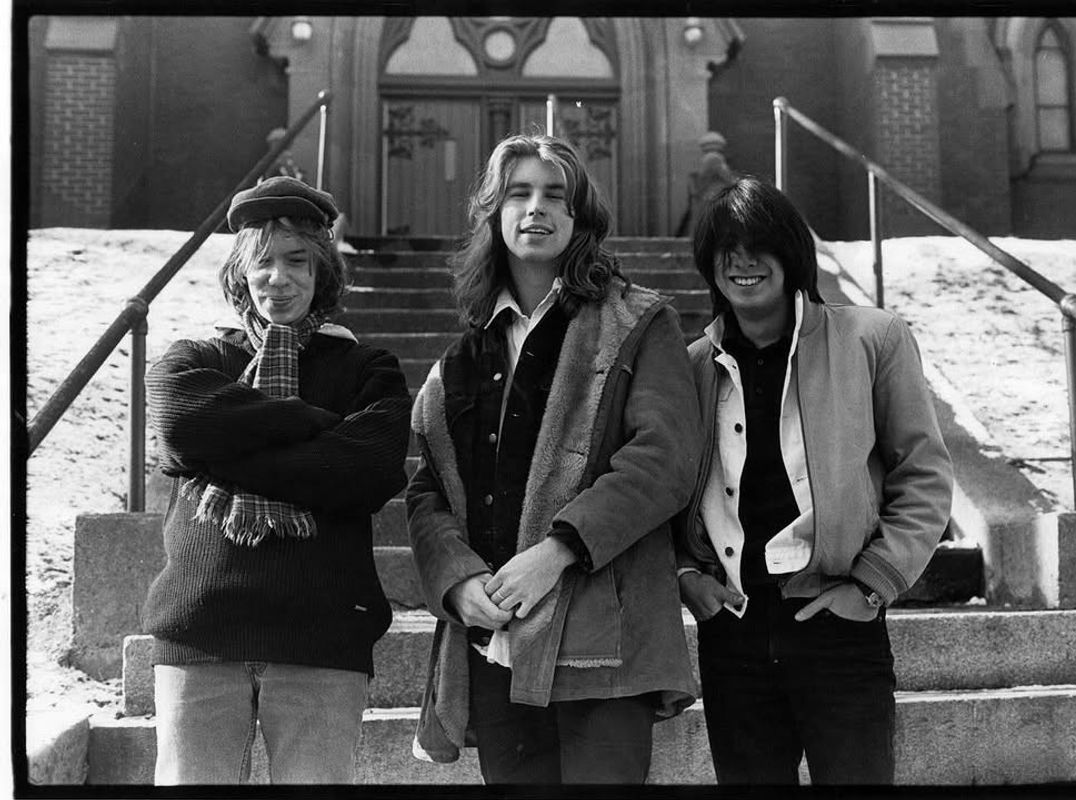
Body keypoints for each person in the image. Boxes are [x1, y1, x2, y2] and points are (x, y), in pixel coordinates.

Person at [406, 133, 700, 784]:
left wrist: (559, 549)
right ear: (493, 212)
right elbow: (427, 489)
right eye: (518, 193)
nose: (535, 208)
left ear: (580, 218)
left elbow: (665, 457)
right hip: (494, 639)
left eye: (554, 195)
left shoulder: (640, 322)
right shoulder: (463, 357)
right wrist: (457, 580)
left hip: (604, 637)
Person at [675, 177, 953, 785]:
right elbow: (665, 486)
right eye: (726, 249)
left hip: (838, 626)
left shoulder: (872, 338)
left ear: (793, 253)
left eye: (759, 245)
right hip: (734, 630)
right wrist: (686, 575)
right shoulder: (693, 366)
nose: (742, 262)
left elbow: (924, 473)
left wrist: (871, 586)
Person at [142, 176, 412, 784]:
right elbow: (181, 428)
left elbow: (368, 470)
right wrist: (314, 427)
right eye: (262, 262)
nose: (279, 278)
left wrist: (226, 451)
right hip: (202, 633)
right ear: (241, 274)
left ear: (322, 274)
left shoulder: (368, 369)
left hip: (323, 637)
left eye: (297, 261)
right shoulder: (197, 360)